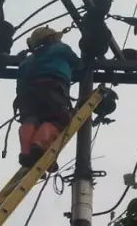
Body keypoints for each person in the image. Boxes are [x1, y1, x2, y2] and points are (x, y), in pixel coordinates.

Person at [13, 26, 80, 172]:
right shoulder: (60, 49)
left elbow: (20, 83)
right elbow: (78, 64)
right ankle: (39, 146)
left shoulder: (27, 61)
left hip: (26, 94)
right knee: (57, 119)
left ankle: (26, 152)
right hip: (52, 86)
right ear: (51, 37)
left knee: (30, 119)